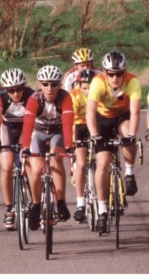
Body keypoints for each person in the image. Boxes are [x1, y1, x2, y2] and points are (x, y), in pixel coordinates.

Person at [86, 50, 142, 233]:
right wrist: (94, 135)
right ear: (104, 72)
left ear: (124, 72)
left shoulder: (132, 82)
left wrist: (132, 135)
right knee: (102, 163)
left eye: (119, 73)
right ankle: (102, 210)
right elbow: (90, 112)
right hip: (102, 119)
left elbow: (135, 112)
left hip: (122, 117)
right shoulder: (97, 82)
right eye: (111, 74)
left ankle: (129, 172)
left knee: (128, 133)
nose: (115, 78)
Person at [20, 65, 75, 230]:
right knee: (36, 169)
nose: (49, 88)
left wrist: (69, 146)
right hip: (37, 133)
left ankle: (60, 202)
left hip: (57, 132)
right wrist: (24, 147)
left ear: (60, 85)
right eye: (45, 84)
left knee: (56, 161)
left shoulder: (65, 98)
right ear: (40, 84)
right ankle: (36, 206)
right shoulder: (34, 99)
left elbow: (67, 123)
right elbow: (28, 125)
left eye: (54, 84)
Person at [0, 68, 35, 229]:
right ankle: (9, 209)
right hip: (6, 127)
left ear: (24, 86)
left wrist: (27, 144)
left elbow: (33, 123)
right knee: (7, 167)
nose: (16, 94)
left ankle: (36, 202)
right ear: (4, 89)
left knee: (29, 163)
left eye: (18, 89)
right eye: (11, 90)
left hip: (26, 127)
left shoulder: (31, 95)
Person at [68, 69, 96, 223]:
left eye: (90, 87)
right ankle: (80, 204)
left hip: (96, 124)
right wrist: (73, 141)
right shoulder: (75, 95)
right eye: (84, 88)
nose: (87, 91)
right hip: (79, 126)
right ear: (79, 86)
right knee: (82, 163)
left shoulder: (100, 93)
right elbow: (72, 120)